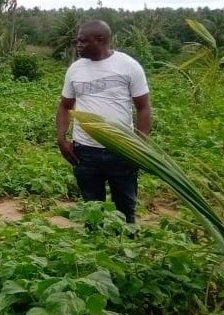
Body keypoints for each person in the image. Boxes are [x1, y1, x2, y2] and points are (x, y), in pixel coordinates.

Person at [56, 20, 152, 223]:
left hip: (121, 150)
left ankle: (127, 248)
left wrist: (138, 149)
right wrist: (62, 139)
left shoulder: (128, 66)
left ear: (100, 40)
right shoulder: (75, 69)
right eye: (77, 41)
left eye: (83, 41)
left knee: (125, 209)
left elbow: (143, 108)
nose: (78, 45)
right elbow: (65, 105)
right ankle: (96, 248)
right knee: (92, 209)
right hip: (84, 151)